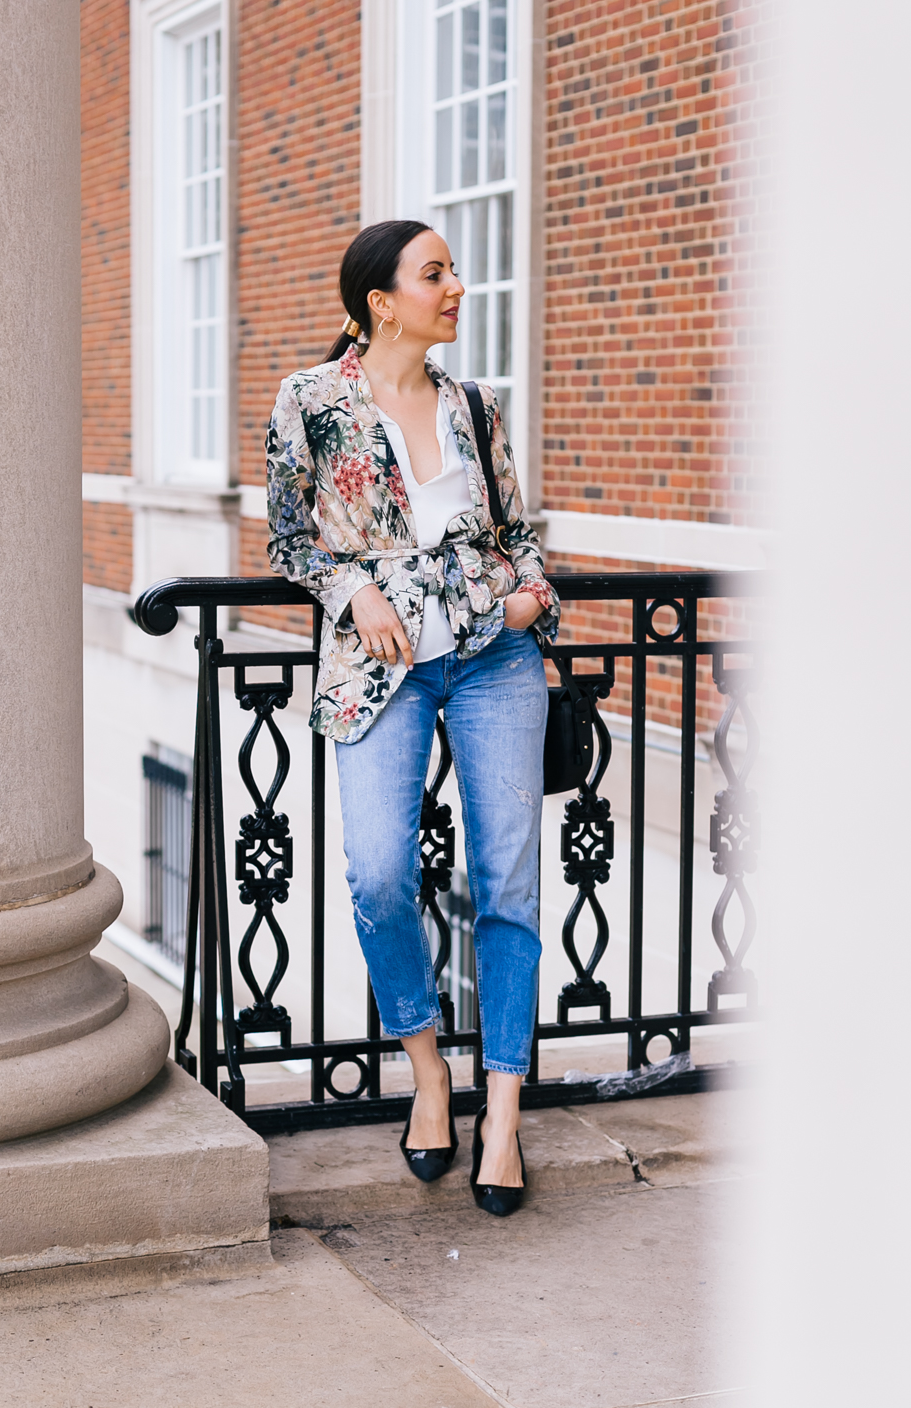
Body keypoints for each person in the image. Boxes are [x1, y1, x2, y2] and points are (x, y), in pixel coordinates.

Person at [265, 220, 559, 1215]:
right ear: (379, 300)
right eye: (434, 274)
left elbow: (521, 539)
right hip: (379, 673)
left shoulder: (476, 406)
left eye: (455, 271)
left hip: (496, 666)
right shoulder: (311, 401)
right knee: (379, 875)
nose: (457, 286)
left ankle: (503, 1113)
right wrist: (353, 593)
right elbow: (288, 536)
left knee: (508, 877)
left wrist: (529, 596)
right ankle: (428, 1069)